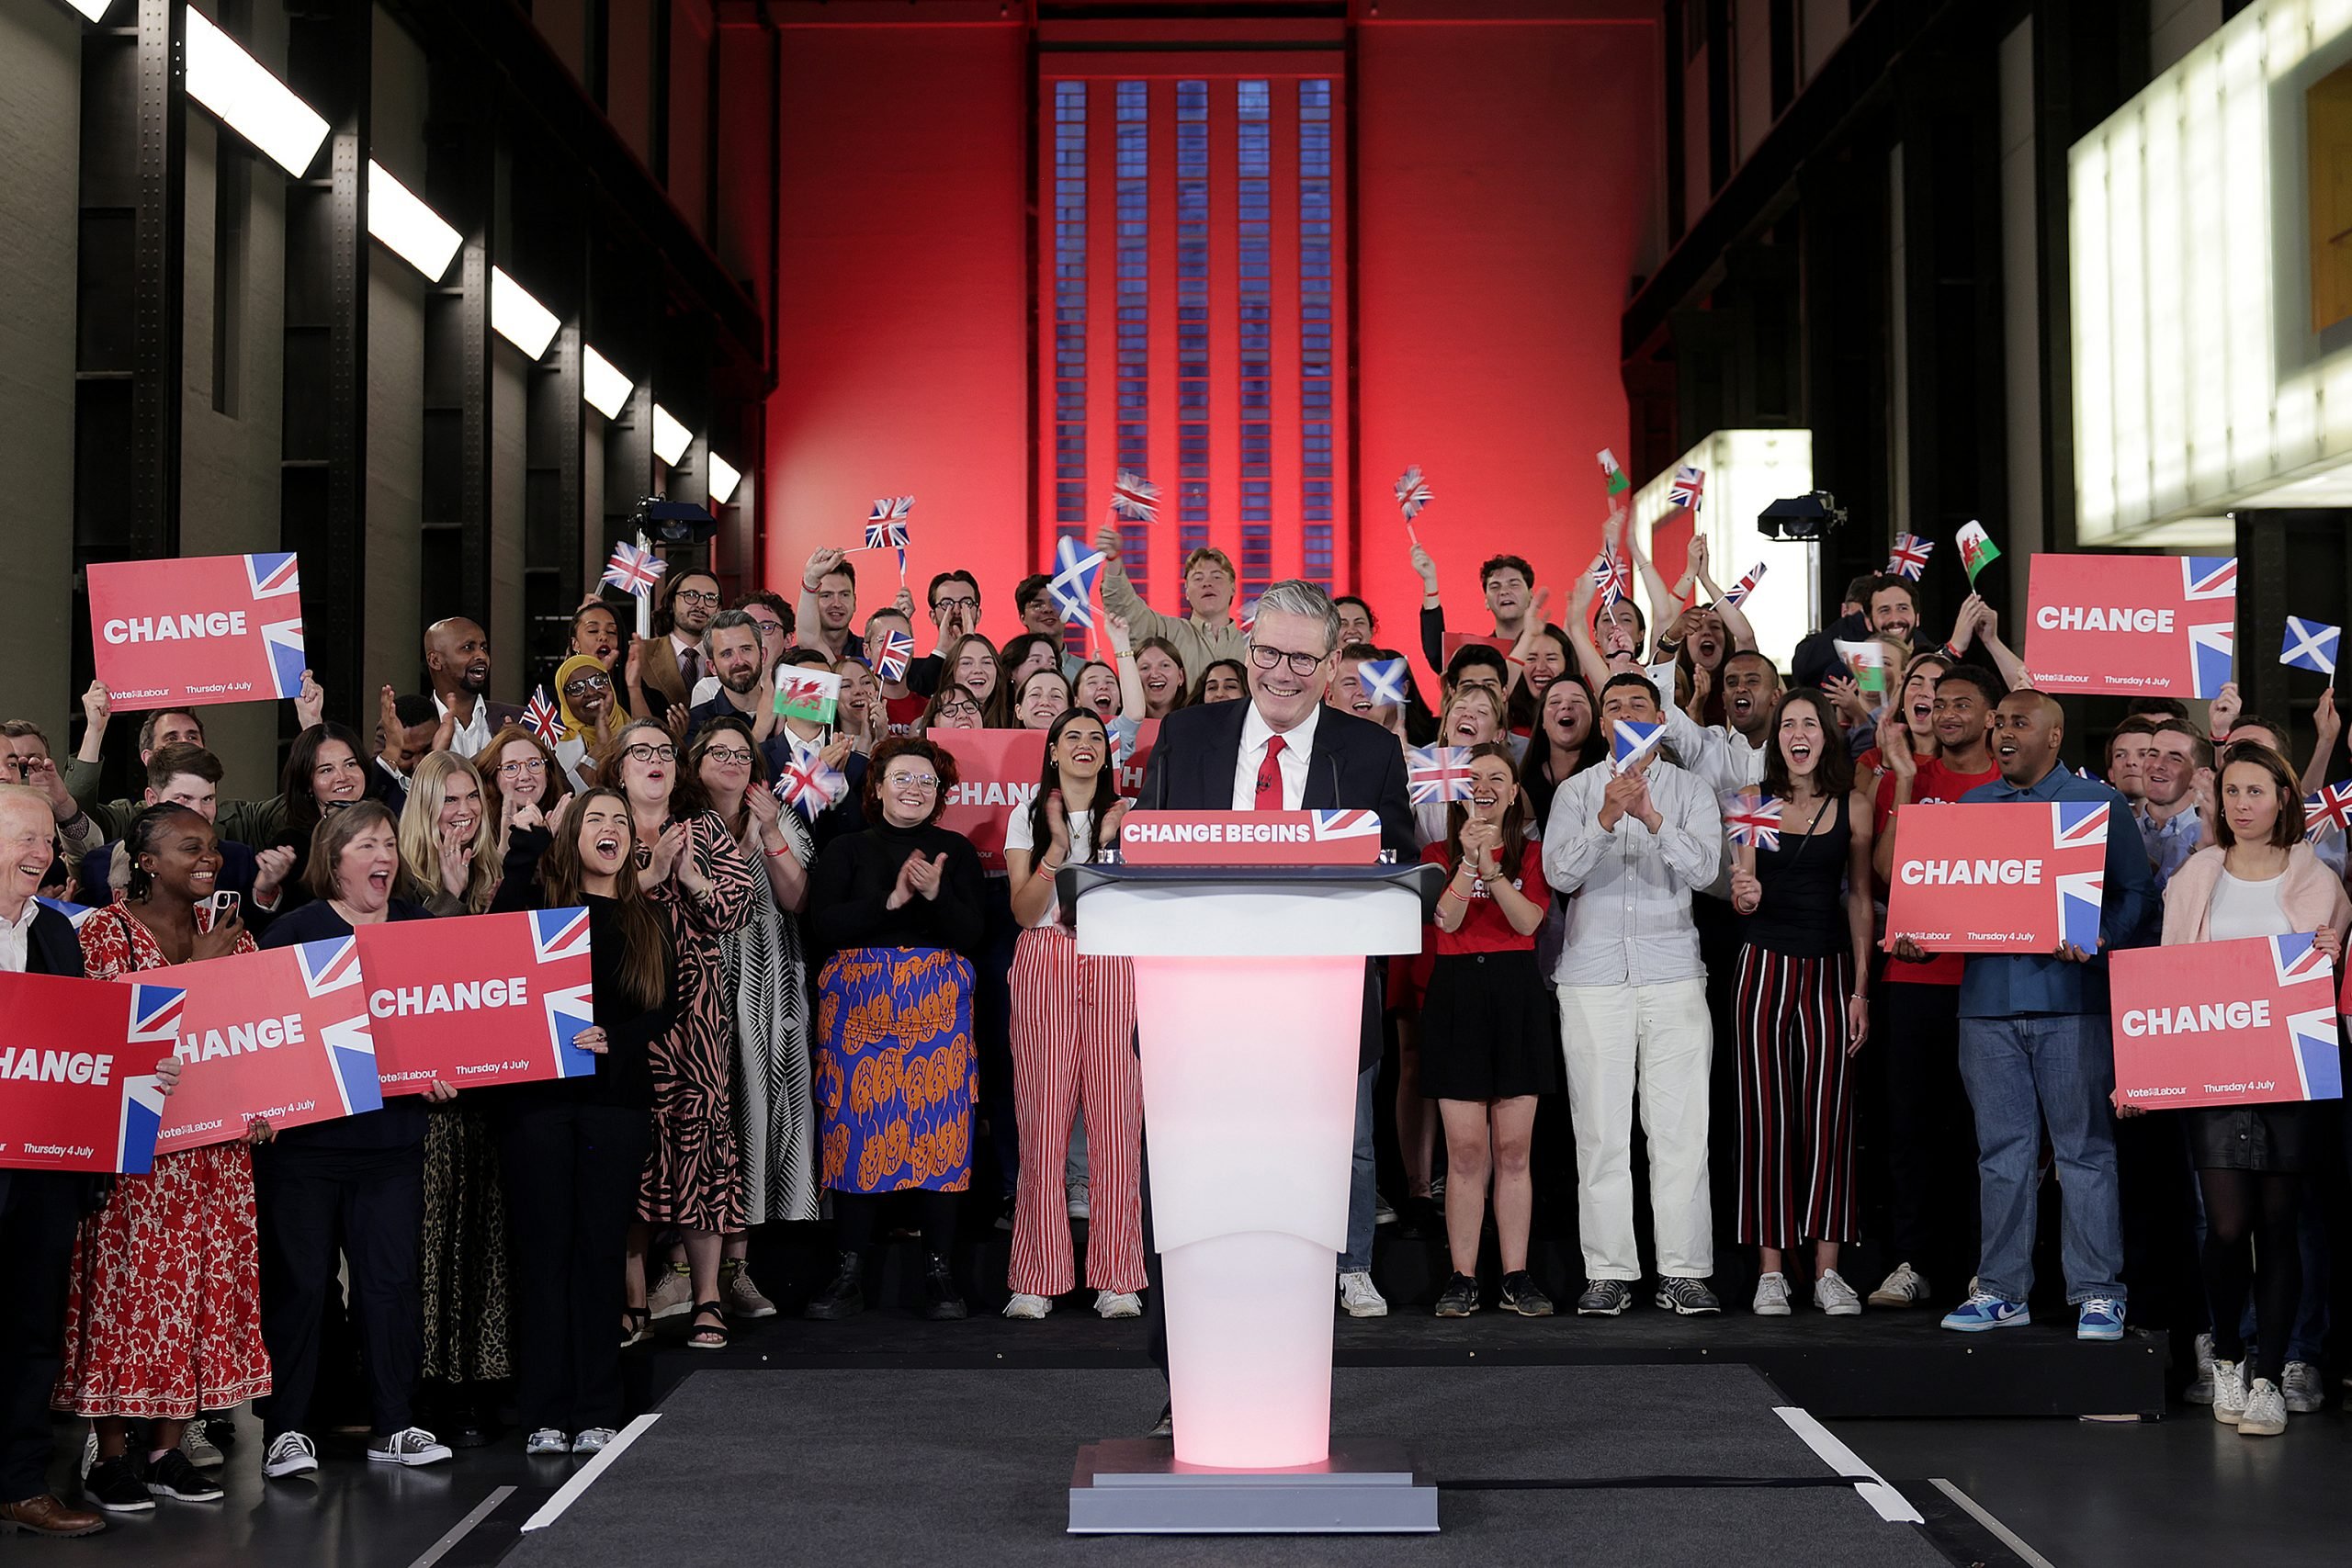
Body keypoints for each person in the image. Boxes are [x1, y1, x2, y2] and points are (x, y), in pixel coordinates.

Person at [1136, 579, 1416, 1337]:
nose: (1281, 672)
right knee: (1195, 1207)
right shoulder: (1188, 736)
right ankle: (1186, 1385)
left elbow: (1402, 873)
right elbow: (1146, 862)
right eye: (1268, 652)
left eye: (1301, 657)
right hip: (1195, 1020)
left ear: (1331, 666)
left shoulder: (1368, 753)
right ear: (1246, 647)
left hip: (1314, 1026)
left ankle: (1286, 1382)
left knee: (1300, 1209)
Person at [1918, 689, 2155, 1340]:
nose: (2001, 731)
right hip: (1987, 1008)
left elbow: (2137, 893)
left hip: (2071, 1003)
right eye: (1999, 722)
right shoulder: (1971, 807)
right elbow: (1946, 900)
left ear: (2053, 736)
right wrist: (1921, 929)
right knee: (2001, 1154)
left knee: (2084, 1152)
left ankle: (2099, 1293)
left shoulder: (2097, 803)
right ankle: (2001, 1290)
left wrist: (2101, 936)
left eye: (2018, 722)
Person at [55, 807, 270, 1511]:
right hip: (136, 1157)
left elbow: (262, 1036)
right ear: (145, 860)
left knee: (198, 1294)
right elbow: (95, 1035)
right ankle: (111, 1457)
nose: (208, 859)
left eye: (212, 848)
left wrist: (271, 1105)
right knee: (129, 1297)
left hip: (213, 1157)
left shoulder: (237, 940)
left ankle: (167, 1450)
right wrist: (191, 972)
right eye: (189, 848)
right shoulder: (103, 934)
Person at [0, 787, 184, 1539]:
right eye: (23, 837)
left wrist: (142, 1073)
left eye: (48, 840)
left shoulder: (58, 934)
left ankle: (19, 1483)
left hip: (42, 1172)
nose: (41, 852)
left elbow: (80, 1047)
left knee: (30, 1331)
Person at [2149, 742, 2347, 1437]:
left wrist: (2331, 955)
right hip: (2213, 1075)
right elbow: (2168, 978)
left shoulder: (2318, 878)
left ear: (2283, 798)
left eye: (2256, 791)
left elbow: (2326, 980)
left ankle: (2268, 1375)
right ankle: (2227, 1353)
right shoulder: (2198, 873)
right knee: (2227, 1226)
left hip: (2291, 1076)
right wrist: (2148, 1072)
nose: (2242, 804)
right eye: (2232, 792)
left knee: (2280, 1225)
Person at [253, 802, 452, 1478]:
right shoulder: (289, 934)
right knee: (301, 1287)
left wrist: (450, 1074)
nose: (384, 856)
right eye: (368, 843)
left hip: (391, 1145)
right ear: (334, 856)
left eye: (390, 843)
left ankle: (395, 1423)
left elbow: (448, 1027)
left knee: (390, 1286)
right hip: (303, 1153)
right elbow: (260, 1037)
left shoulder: (422, 930)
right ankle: (286, 1430)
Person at [490, 788, 679, 1455]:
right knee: (544, 1259)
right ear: (572, 836)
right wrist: (524, 846)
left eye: (620, 822)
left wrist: (617, 1039)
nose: (610, 829)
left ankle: (598, 1404)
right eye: (595, 819)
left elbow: (666, 1006)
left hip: (615, 1105)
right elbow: (497, 943)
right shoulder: (541, 906)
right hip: (537, 1105)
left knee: (600, 1256)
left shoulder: (648, 917)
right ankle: (543, 1409)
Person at [1544, 672, 1724, 1315]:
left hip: (1672, 971)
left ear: (1660, 719)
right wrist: (1606, 816)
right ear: (1601, 723)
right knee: (1599, 1131)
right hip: (1592, 979)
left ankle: (1683, 1270)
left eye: (1637, 705)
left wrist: (1650, 817)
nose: (1624, 713)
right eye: (1612, 706)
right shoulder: (1577, 790)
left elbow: (1706, 870)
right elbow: (1558, 872)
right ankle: (1611, 1271)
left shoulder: (1691, 789)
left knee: (1679, 1131)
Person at [802, 738, 989, 1322]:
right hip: (859, 1013)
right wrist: (891, 899)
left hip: (937, 1011)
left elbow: (972, 934)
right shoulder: (845, 848)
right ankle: (849, 1270)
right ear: (877, 786)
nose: (915, 789)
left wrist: (933, 896)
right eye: (902, 778)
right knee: (857, 1131)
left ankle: (940, 1272)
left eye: (927, 781)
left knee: (940, 1133)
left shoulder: (954, 850)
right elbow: (823, 925)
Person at [605, 719, 757, 1350]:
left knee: (700, 1149)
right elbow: (575, 908)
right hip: (621, 1014)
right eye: (641, 752)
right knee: (630, 1151)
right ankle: (634, 1298)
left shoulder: (706, 830)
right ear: (619, 769)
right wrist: (647, 874)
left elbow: (738, 910)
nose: (655, 760)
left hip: (694, 1017)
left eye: (664, 751)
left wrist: (691, 877)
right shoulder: (603, 830)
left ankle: (707, 1298)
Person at [1725, 690, 1877, 1317]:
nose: (1797, 732)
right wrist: (1744, 891)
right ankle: (1768, 1271)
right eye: (1787, 723)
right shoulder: (1749, 802)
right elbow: (1741, 891)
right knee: (1766, 1118)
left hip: (1827, 971)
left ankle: (1827, 1271)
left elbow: (1861, 899)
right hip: (1762, 967)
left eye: (1808, 722)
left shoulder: (1855, 806)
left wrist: (1861, 989)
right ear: (1776, 739)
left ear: (1826, 735)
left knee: (1829, 1122)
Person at [1866, 667, 2002, 1309]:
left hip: (1989, 985)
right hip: (1915, 979)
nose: (1945, 712)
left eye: (1960, 704)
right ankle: (1912, 1259)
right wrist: (1912, 780)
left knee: (1986, 1134)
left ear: (1992, 716)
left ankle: (1986, 1266)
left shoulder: (2013, 787)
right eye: (1937, 702)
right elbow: (1888, 869)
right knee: (1910, 1130)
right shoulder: (1906, 779)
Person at [1001, 709, 1142, 1321]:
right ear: (1053, 750)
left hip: (1114, 959)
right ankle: (1036, 1274)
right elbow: (1026, 910)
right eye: (1072, 737)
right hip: (1047, 958)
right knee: (1043, 1119)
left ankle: (1117, 1276)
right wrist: (1057, 848)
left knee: (1116, 1119)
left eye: (1095, 737)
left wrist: (1109, 844)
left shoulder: (1130, 814)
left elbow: (1135, 903)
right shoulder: (1026, 815)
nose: (1084, 745)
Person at [682, 718, 816, 1313]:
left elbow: (798, 898)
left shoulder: (777, 814)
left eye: (743, 753)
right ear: (697, 761)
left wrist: (767, 832)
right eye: (720, 752)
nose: (734, 762)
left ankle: (735, 1270)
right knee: (703, 1129)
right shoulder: (679, 821)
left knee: (754, 1123)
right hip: (698, 987)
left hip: (769, 988)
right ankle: (680, 1269)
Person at [1419, 743, 1556, 1318]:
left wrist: (1495, 869)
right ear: (1457, 787)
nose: (1486, 785)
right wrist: (1469, 863)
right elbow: (1445, 918)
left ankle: (1517, 1274)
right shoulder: (1434, 852)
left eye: (1499, 777)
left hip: (1516, 993)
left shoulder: (1532, 851)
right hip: (1456, 995)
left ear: (1515, 792)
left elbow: (1528, 920)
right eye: (1475, 776)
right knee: (1468, 1150)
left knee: (1514, 1148)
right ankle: (1462, 1276)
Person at [1095, 529, 1247, 680]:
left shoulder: (1252, 645)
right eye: (1198, 578)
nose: (1207, 583)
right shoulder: (1165, 632)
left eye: (1216, 577)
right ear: (1186, 591)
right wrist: (1113, 560)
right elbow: (1127, 610)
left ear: (1233, 587)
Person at [422, 617, 521, 760]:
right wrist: (494, 751)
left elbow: (558, 780)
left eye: (484, 648)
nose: (482, 656)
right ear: (435, 661)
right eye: (468, 648)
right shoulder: (406, 727)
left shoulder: (520, 720)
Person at [2136, 717, 2214, 893]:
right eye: (2153, 754)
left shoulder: (2212, 840)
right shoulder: (2113, 834)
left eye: (2175, 758)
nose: (2157, 765)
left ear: (2200, 774)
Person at [638, 568, 726, 716]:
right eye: (691, 595)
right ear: (672, 602)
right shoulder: (640, 653)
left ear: (718, 609)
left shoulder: (729, 657)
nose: (700, 605)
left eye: (710, 598)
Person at [683, 609, 775, 743]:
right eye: (727, 654)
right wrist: (759, 731)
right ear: (712, 667)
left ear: (762, 655)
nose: (739, 661)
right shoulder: (697, 724)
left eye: (746, 649)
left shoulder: (790, 713)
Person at [551, 653, 632, 792]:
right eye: (576, 688)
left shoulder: (636, 732)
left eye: (598, 681)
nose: (590, 692)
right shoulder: (556, 748)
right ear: (564, 700)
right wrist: (600, 747)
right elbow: (568, 796)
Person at [794, 549, 860, 663]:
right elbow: (808, 641)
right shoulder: (793, 661)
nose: (837, 604)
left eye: (844, 595)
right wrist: (811, 581)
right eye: (826, 595)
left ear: (854, 602)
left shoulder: (871, 653)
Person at [939, 632, 1011, 727]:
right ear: (951, 671)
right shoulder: (931, 722)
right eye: (966, 663)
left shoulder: (1014, 722)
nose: (978, 670)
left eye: (986, 662)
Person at [1134, 637, 1192, 721]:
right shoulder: (1118, 725)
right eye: (1145, 668)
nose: (1154, 674)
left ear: (1180, 676)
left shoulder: (1197, 721)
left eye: (1165, 665)